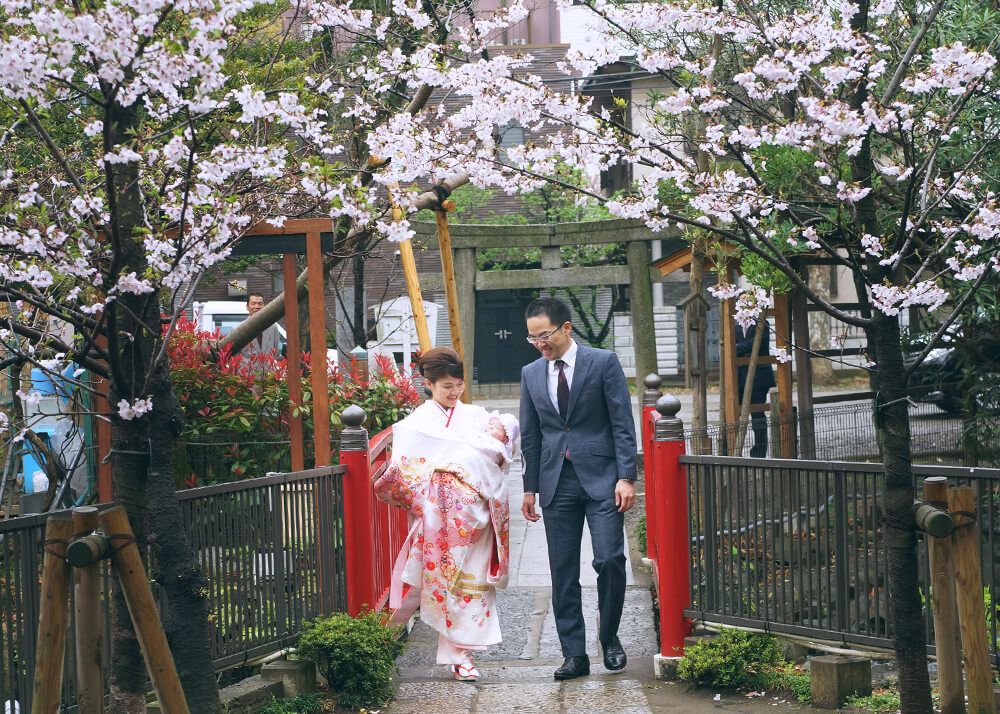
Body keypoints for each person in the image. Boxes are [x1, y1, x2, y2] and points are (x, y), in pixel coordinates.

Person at [375, 347, 517, 682]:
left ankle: (462, 652)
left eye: (458, 385)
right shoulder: (416, 425)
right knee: (449, 585)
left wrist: (498, 439)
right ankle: (459, 655)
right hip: (441, 522)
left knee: (474, 585)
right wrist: (438, 495)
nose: (454, 392)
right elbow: (403, 474)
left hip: (480, 513)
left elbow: (502, 455)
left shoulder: (477, 416)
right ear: (428, 384)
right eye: (446, 387)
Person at [519, 296, 637, 681]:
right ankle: (574, 655)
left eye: (545, 334)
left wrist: (626, 476)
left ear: (566, 328)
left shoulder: (603, 363)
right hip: (556, 482)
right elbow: (532, 436)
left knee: (609, 560)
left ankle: (610, 638)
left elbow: (622, 422)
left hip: (602, 479)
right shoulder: (531, 374)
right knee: (563, 572)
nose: (540, 343)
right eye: (533, 337)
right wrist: (529, 488)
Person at [735, 320, 776, 458]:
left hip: (759, 377)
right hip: (738, 377)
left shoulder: (762, 323)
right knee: (733, 415)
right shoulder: (734, 325)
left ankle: (759, 452)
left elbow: (756, 344)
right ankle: (731, 450)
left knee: (758, 415)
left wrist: (737, 348)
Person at [239, 292, 281, 358]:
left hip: (268, 368)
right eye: (253, 303)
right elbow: (236, 356)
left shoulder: (273, 327)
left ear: (263, 306)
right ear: (247, 307)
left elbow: (276, 352)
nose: (257, 306)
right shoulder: (239, 329)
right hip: (248, 367)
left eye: (260, 303)